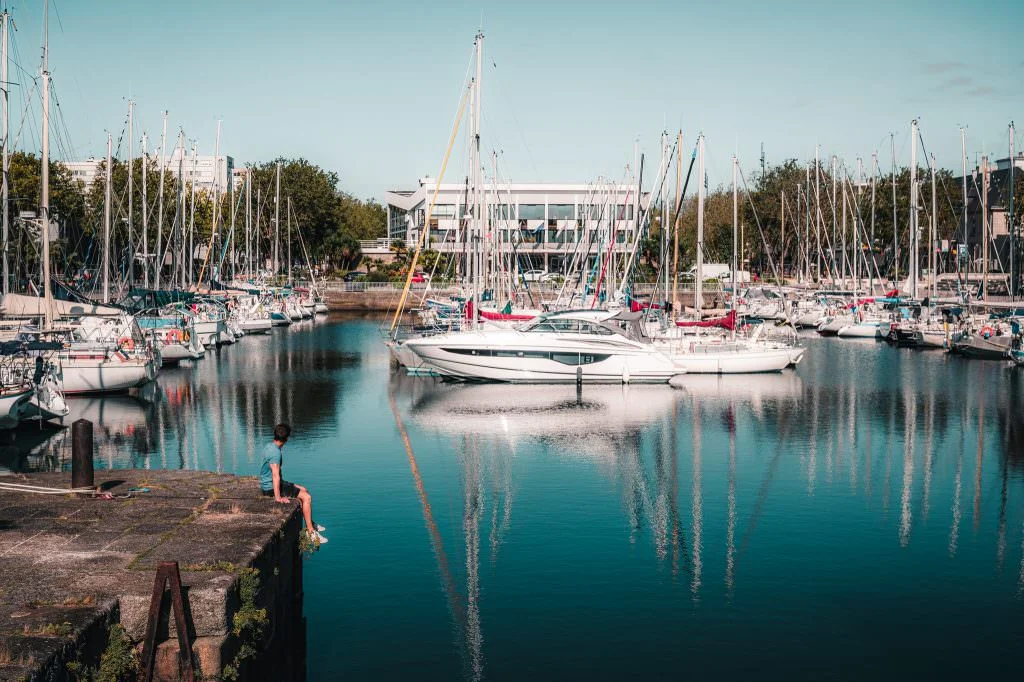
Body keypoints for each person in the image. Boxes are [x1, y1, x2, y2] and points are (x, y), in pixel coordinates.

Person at [259, 423, 327, 545]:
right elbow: (275, 476)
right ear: (287, 438)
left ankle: (310, 523)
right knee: (307, 497)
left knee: (303, 489)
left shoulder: (269, 446)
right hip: (270, 487)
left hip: (269, 483)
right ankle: (310, 532)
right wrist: (278, 497)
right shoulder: (275, 453)